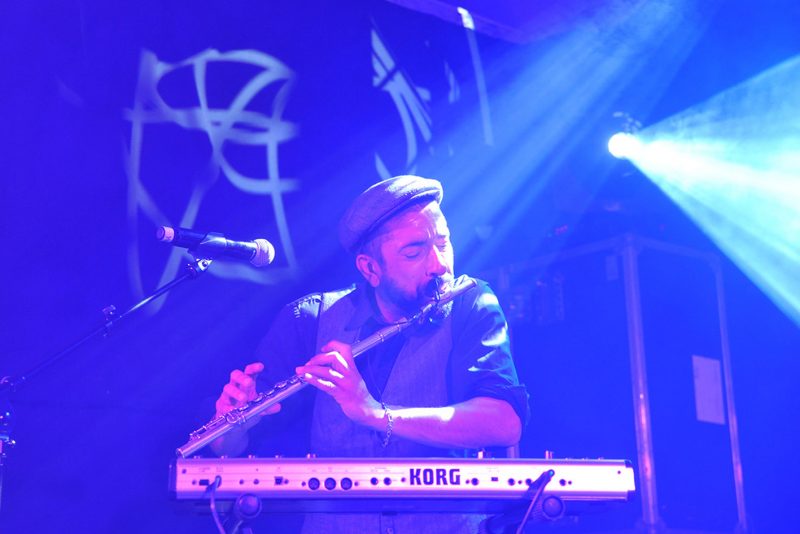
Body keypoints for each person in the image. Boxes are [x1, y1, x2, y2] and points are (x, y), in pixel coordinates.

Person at [212, 175, 529, 533]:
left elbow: (504, 422)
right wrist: (233, 425)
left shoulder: (471, 304)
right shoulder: (311, 320)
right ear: (370, 269)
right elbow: (228, 449)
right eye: (414, 252)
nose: (439, 264)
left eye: (443, 242)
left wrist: (376, 413)